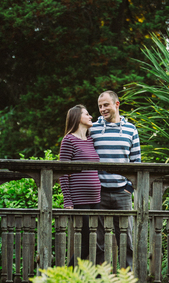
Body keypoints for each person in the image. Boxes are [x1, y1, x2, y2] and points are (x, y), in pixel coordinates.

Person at [90, 90, 141, 269]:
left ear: (117, 104)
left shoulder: (131, 129)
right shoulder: (93, 129)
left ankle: (128, 278)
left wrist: (129, 188)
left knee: (127, 240)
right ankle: (99, 278)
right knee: (97, 241)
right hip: (99, 193)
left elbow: (137, 163)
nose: (102, 109)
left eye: (106, 105)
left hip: (122, 193)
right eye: (100, 106)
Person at [59, 104, 101, 266]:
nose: (91, 117)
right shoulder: (68, 140)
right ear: (77, 118)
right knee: (85, 244)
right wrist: (68, 201)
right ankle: (66, 276)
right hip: (79, 200)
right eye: (87, 114)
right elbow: (62, 172)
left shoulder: (90, 140)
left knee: (94, 242)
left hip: (95, 199)